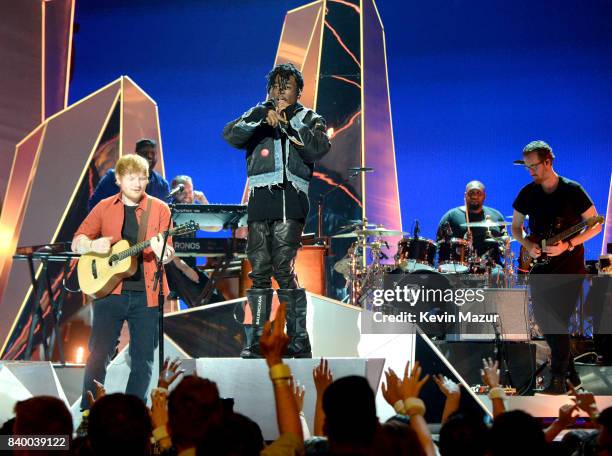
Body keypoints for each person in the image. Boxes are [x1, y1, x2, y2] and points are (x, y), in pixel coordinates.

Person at [223, 62, 331, 358]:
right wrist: (260, 115)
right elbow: (230, 135)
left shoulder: (310, 117)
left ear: (298, 90)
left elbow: (318, 148)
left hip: (291, 197)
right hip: (260, 196)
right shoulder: (257, 113)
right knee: (258, 270)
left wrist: (287, 122)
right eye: (275, 85)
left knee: (283, 268)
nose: (280, 91)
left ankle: (298, 339)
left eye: (286, 86)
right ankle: (256, 340)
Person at [72, 154, 175, 409]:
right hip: (110, 292)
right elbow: (77, 241)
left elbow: (169, 252)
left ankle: (132, 414)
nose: (138, 183)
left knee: (143, 360)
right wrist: (93, 244)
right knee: (98, 355)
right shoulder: (104, 207)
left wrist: (165, 252)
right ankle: (89, 413)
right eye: (132, 178)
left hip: (147, 294)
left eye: (143, 178)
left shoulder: (161, 209)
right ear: (118, 179)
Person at [511, 140, 602, 394]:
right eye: (527, 167)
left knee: (557, 322)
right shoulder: (528, 193)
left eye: (534, 166)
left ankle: (559, 378)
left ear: (548, 162)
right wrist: (527, 244)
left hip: (569, 266)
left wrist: (569, 244)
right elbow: (515, 228)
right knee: (545, 318)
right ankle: (571, 377)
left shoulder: (573, 190)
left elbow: (596, 225)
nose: (530, 171)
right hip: (541, 266)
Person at [436, 180, 507, 270]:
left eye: (478, 193)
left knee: (499, 274)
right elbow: (439, 244)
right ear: (465, 195)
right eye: (471, 193)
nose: (474, 196)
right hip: (459, 266)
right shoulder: (451, 216)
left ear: (484, 196)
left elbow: (504, 244)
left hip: (490, 268)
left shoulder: (497, 217)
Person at [88, 138, 170, 211]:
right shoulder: (113, 176)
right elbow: (94, 205)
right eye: (145, 153)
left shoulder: (162, 185)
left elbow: (164, 215)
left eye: (153, 153)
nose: (149, 156)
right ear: (136, 155)